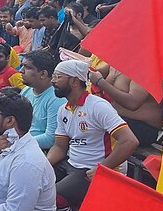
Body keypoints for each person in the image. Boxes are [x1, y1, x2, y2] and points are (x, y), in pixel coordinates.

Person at [46, 60, 139, 210]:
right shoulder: (63, 109)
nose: (53, 81)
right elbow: (59, 147)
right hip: (71, 163)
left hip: (91, 169)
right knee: (34, 184)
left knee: (51, 198)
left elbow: (129, 141)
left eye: (58, 76)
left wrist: (102, 168)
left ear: (74, 81)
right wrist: (44, 164)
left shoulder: (98, 106)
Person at [18, 51, 65, 150]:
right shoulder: (26, 91)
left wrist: (18, 143)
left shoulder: (56, 99)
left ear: (43, 74)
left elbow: (50, 139)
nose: (21, 70)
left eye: (27, 67)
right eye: (22, 66)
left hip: (36, 148)